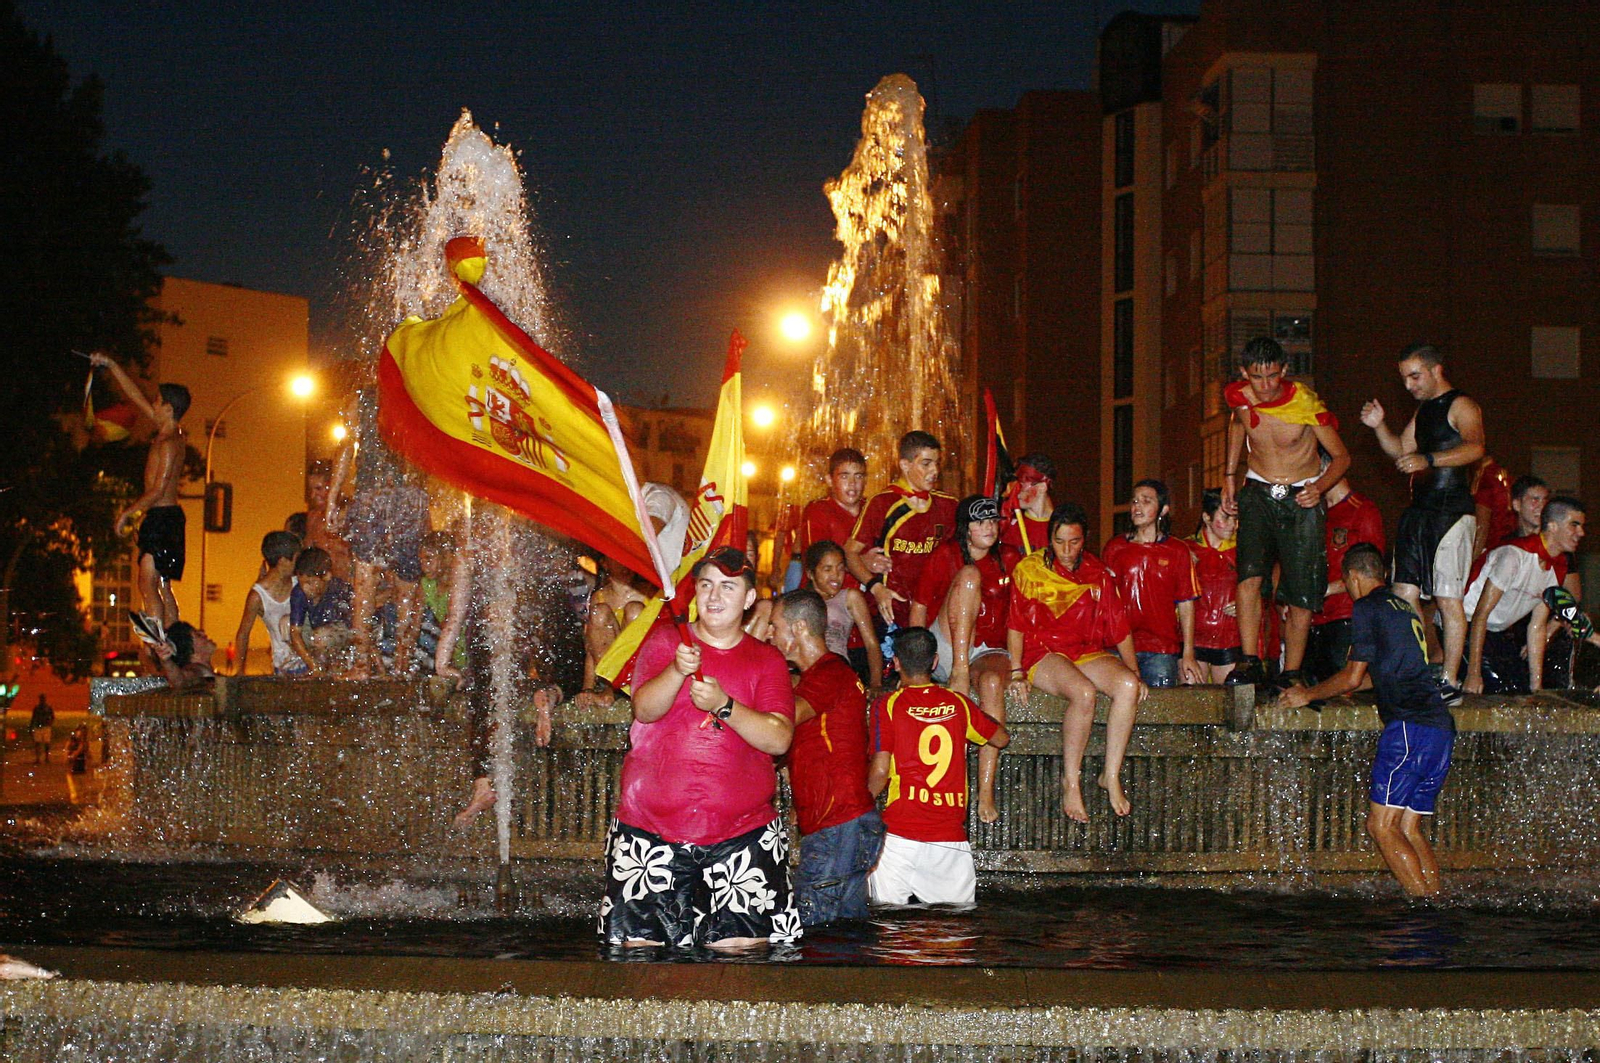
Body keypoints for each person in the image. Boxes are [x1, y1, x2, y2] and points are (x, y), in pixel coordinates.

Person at [599, 547, 800, 950]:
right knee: (638, 959)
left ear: (748, 600)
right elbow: (643, 709)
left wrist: (725, 706)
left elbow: (779, 737)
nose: (714, 596)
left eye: (728, 587)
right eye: (706, 585)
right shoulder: (664, 641)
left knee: (741, 962)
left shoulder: (767, 659)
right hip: (649, 832)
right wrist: (676, 670)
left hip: (742, 835)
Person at [1280, 544, 1454, 896]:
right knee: (1409, 828)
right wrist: (1340, 689)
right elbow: (1385, 673)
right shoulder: (1402, 608)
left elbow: (1353, 676)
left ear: (1353, 577)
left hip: (1409, 727)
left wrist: (1308, 694)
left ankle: (1421, 906)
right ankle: (1436, 901)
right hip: (1439, 726)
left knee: (1381, 826)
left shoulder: (1366, 607)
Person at [1221, 337, 1351, 690]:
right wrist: (1229, 477)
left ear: (1285, 372)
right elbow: (1236, 426)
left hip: (1301, 498)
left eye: (1272, 377)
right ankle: (1250, 661)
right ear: (1244, 373)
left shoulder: (1307, 405)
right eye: (1256, 378)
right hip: (1258, 492)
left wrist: (1319, 488)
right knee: (1249, 576)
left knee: (1301, 589)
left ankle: (1291, 671)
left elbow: (1342, 457)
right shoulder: (1240, 398)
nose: (1264, 387)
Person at [1361, 343, 1486, 700]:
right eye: (1404, 378)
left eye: (1414, 376)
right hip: (1419, 511)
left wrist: (1429, 459)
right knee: (1403, 592)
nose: (1409, 385)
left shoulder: (1462, 405)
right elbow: (1401, 451)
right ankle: (1415, 670)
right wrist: (1379, 425)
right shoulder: (1424, 410)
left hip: (1451, 511)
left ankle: (1449, 680)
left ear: (1436, 370)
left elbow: (1476, 447)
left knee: (1448, 597)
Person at [1007, 502, 1145, 821]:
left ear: (1084, 539)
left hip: (1084, 651)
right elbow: (1015, 624)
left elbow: (1118, 625)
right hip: (1043, 652)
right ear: (1049, 538)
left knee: (1126, 685)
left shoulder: (1097, 572)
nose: (1067, 550)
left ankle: (1110, 775)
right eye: (1059, 542)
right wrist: (1016, 671)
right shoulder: (1029, 570)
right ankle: (1071, 780)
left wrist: (1135, 672)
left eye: (1074, 542)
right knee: (1084, 693)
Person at [867, 626, 1008, 907]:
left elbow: (880, 771)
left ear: (895, 663)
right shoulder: (959, 703)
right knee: (951, 937)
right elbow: (1001, 738)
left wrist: (858, 808)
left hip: (899, 837)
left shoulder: (888, 705)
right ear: (934, 662)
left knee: (890, 930)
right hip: (949, 841)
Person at [770, 589, 884, 926]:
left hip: (837, 825)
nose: (769, 634)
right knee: (845, 933)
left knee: (813, 930)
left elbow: (784, 719)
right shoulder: (821, 677)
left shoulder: (829, 672)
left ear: (799, 628)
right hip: (843, 822)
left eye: (775, 626)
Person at [908, 494, 1019, 822]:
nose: (988, 526)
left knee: (992, 683)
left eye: (992, 520)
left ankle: (985, 790)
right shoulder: (945, 555)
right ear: (965, 527)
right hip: (946, 646)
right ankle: (958, 671)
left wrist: (1021, 667)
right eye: (979, 521)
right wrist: (917, 664)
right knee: (970, 576)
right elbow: (919, 608)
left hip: (987, 648)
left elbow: (1023, 615)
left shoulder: (1010, 557)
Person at [331, 389, 430, 677]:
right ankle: (399, 663)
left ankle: (369, 663)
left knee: (371, 582)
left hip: (378, 497)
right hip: (402, 499)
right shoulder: (414, 391)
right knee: (403, 586)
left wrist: (334, 498)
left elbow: (347, 446)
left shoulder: (366, 396)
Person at [89, 352, 191, 628]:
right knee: (161, 585)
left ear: (169, 409)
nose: (153, 405)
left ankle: (160, 641)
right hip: (163, 518)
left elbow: (158, 489)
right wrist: (111, 364)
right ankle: (170, 639)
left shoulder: (169, 442)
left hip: (163, 517)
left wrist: (127, 512)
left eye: (158, 402)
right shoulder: (166, 431)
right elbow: (135, 396)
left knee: (147, 584)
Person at [1462, 496, 1587, 694]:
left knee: (1521, 689)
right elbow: (1480, 614)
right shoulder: (1514, 555)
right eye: (1574, 525)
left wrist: (1536, 688)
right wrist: (1473, 673)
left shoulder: (1557, 567)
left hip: (1496, 632)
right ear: (1553, 526)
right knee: (1500, 690)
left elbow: (1536, 626)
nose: (1581, 533)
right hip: (1467, 626)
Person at [845, 431, 958, 629]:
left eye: (937, 463)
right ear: (905, 465)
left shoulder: (948, 505)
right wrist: (876, 587)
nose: (934, 471)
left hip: (934, 610)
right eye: (926, 463)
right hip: (891, 610)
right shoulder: (882, 503)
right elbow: (849, 552)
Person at [1102, 480, 1202, 688]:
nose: (1137, 507)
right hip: (1117, 646)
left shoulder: (1178, 550)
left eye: (1146, 501)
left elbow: (1186, 604)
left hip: (1161, 649)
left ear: (1163, 510)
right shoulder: (1115, 548)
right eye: (1135, 501)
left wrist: (1188, 653)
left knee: (1158, 711)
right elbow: (1104, 600)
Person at [1305, 479, 1386, 685]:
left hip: (1346, 617)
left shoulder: (1362, 510)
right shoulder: (1314, 511)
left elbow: (1374, 572)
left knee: (1343, 691)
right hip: (1313, 619)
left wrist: (1329, 589)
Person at [803, 540, 883, 688]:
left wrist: (876, 684)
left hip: (836, 668)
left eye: (840, 569)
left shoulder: (849, 597)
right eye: (827, 569)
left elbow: (871, 644)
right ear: (810, 573)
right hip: (805, 671)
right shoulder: (800, 601)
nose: (836, 575)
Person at [1187, 489, 1242, 683]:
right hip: (1191, 638)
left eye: (1236, 519)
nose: (1232, 525)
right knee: (1192, 702)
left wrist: (1246, 604)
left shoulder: (1244, 550)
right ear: (1206, 517)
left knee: (1228, 702)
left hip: (1229, 638)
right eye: (1226, 518)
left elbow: (1262, 588)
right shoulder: (1184, 549)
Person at [579, 556, 648, 708]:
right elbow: (592, 646)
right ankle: (611, 687)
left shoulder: (650, 593)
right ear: (605, 563)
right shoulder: (599, 597)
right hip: (610, 674)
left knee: (634, 610)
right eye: (619, 559)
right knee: (599, 612)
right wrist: (587, 688)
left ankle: (621, 688)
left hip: (640, 672)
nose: (626, 565)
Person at [232, 531, 302, 676]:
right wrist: (239, 671)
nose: (299, 564)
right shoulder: (258, 596)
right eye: (296, 559)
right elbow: (243, 633)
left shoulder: (299, 582)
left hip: (308, 660)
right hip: (285, 666)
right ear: (283, 561)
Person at [287, 547, 354, 675]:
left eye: (310, 583)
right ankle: (308, 666)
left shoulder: (340, 590)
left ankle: (335, 668)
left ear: (327, 576)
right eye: (302, 583)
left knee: (321, 637)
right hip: (318, 634)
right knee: (286, 624)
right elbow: (295, 632)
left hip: (341, 636)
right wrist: (312, 664)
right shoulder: (299, 593)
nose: (306, 588)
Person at [799, 448, 869, 567]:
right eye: (844, 477)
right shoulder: (818, 510)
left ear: (865, 480)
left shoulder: (872, 509)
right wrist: (861, 562)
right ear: (829, 480)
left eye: (858, 476)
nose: (852, 483)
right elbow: (818, 560)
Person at [1000, 453, 1056, 555]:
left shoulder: (1062, 526)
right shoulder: (1009, 527)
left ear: (1042, 487)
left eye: (1021, 485)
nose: (1015, 492)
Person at [153, 621, 218, 690]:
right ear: (189, 649)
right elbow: (180, 680)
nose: (204, 634)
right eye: (198, 635)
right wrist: (166, 661)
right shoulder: (198, 669)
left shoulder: (204, 669)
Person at [29, 695, 54, 764]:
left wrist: (50, 723)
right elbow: (33, 717)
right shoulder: (38, 708)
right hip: (40, 726)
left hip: (44, 726)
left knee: (45, 743)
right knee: (39, 742)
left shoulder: (47, 708)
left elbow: (52, 717)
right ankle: (40, 758)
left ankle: (45, 758)